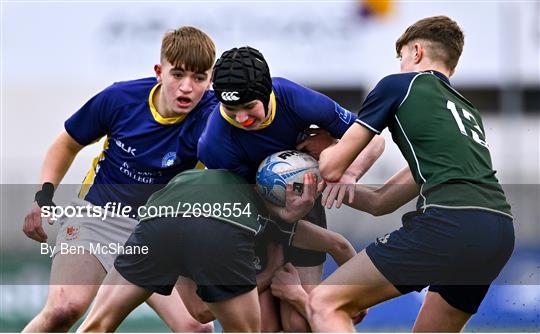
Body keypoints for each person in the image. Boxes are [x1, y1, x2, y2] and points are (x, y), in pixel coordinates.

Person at [307, 16, 515, 332]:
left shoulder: (399, 85)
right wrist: (322, 187)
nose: (401, 64)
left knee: (325, 301)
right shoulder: (466, 112)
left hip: (451, 223)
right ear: (452, 67)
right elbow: (381, 201)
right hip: (497, 230)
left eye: (401, 56)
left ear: (415, 51)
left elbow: (332, 165)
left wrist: (314, 154)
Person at [22, 26, 218, 332]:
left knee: (197, 326)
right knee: (63, 309)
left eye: (198, 78)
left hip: (159, 230)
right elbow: (67, 144)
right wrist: (42, 196)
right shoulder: (120, 99)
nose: (186, 87)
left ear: (211, 80)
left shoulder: (215, 115)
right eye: (177, 74)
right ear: (159, 71)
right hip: (97, 219)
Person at [197, 46, 384, 331]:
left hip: (305, 207)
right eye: (231, 110)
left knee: (299, 322)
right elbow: (242, 211)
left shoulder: (295, 100)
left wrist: (348, 170)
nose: (242, 118)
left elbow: (373, 140)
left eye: (249, 107)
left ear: (266, 92)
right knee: (260, 324)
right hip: (253, 221)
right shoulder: (215, 143)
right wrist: (285, 215)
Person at [77, 169, 322, 332]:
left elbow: (201, 313)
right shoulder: (264, 212)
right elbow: (338, 244)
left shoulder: (206, 170)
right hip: (216, 224)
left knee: (97, 324)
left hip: (159, 215)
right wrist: (272, 276)